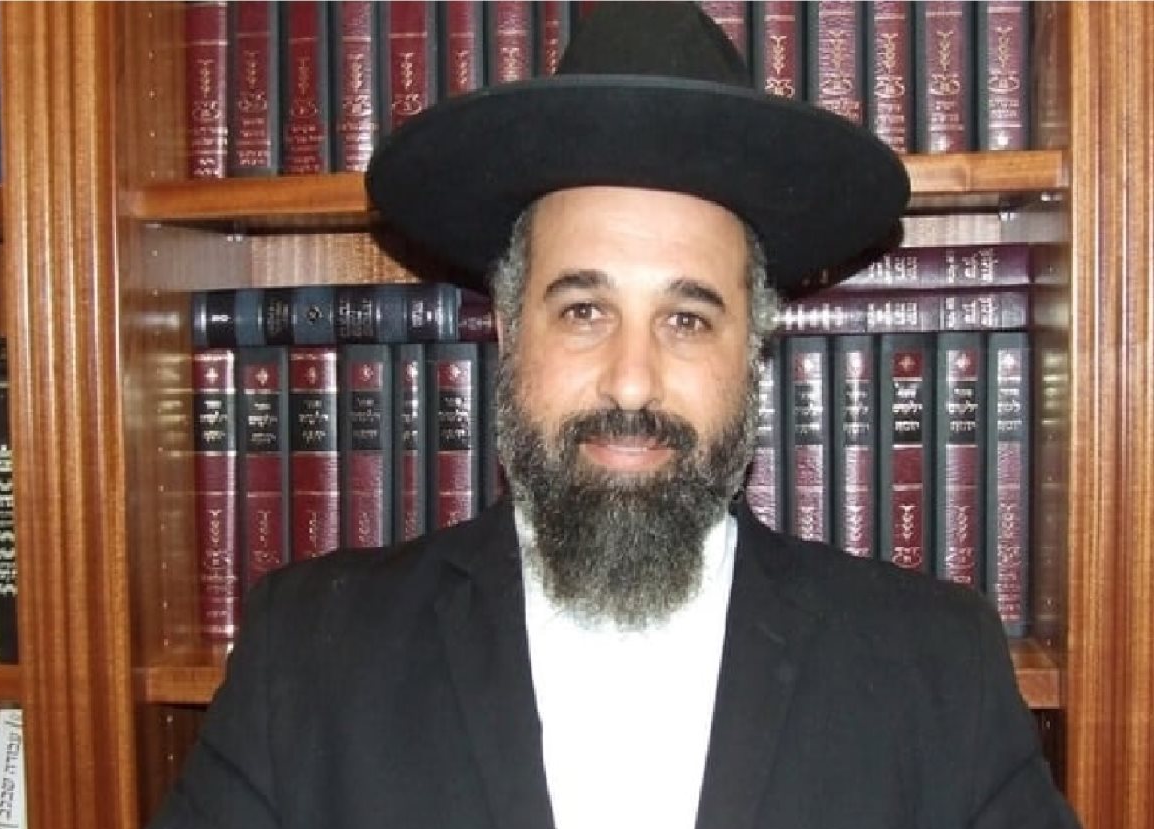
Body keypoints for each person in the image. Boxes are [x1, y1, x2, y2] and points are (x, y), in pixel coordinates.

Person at [148, 4, 1081, 828]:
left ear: (754, 350)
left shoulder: (936, 670)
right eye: (584, 310)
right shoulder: (309, 659)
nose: (632, 383)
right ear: (510, 330)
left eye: (687, 319)